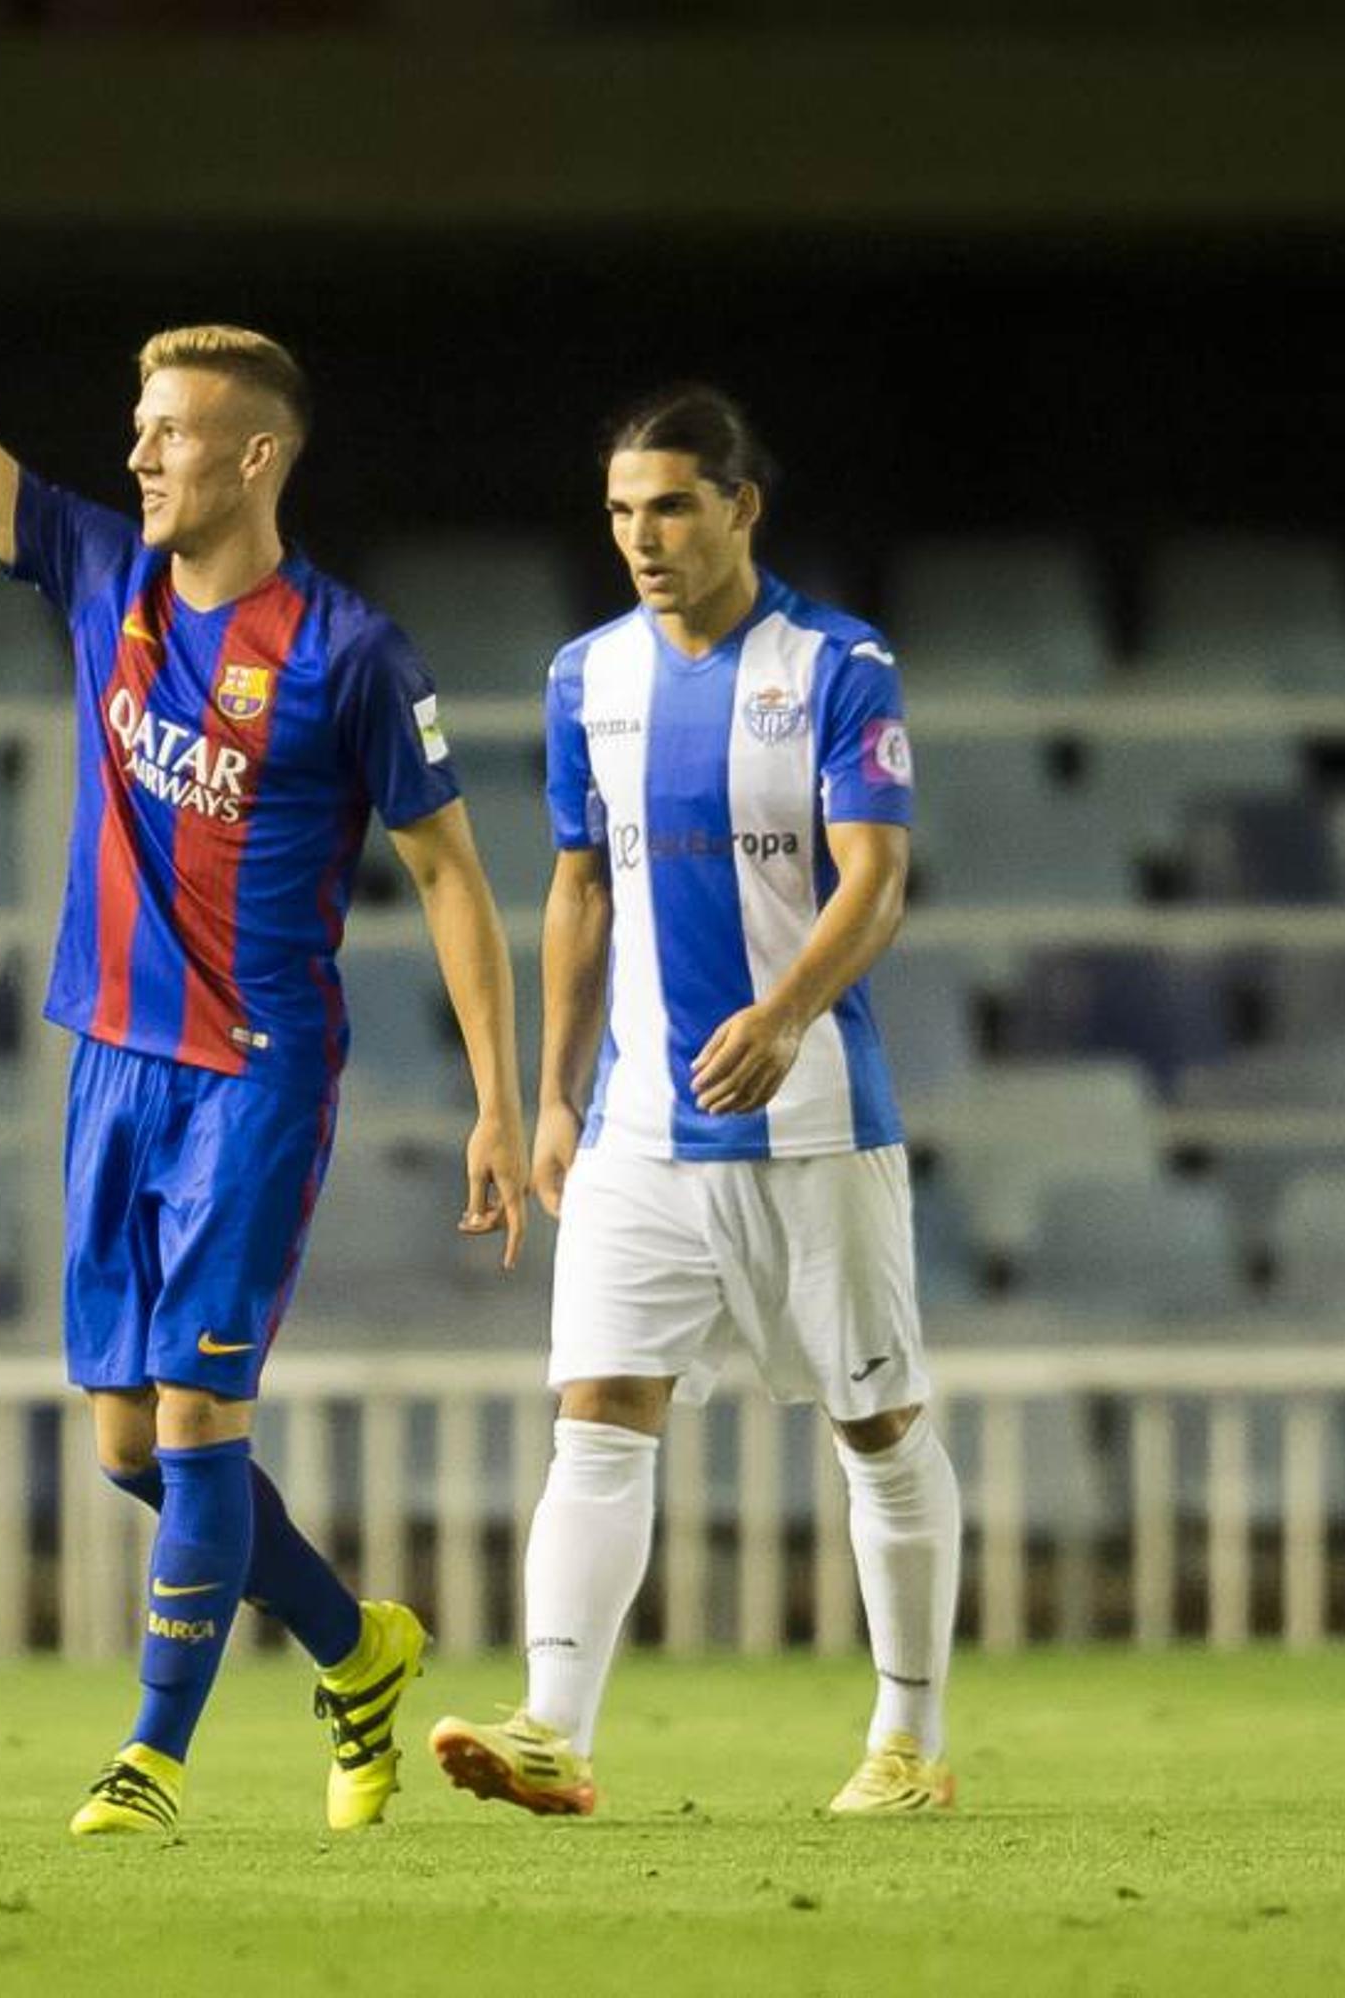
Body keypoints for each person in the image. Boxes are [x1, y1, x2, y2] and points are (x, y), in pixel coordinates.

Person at [0, 87, 532, 1837]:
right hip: (109, 1060)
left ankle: (150, 1756)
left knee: (199, 1425)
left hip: (255, 1072)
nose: (139, 453)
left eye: (169, 432)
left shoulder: (349, 653)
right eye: (137, 427)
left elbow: (455, 877)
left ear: (252, 456)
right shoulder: (104, 578)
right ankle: (353, 1644)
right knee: (127, 1454)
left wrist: (497, 1099)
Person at [426, 385, 960, 1818]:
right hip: (639, 1132)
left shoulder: (840, 664)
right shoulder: (583, 676)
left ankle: (907, 1741)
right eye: (619, 512)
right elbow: (581, 890)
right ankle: (551, 1727)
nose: (642, 538)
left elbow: (878, 878)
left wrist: (784, 1016)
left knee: (881, 1429)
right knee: (596, 1418)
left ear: (741, 506)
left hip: (815, 1127)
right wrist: (551, 1095)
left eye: (669, 506)